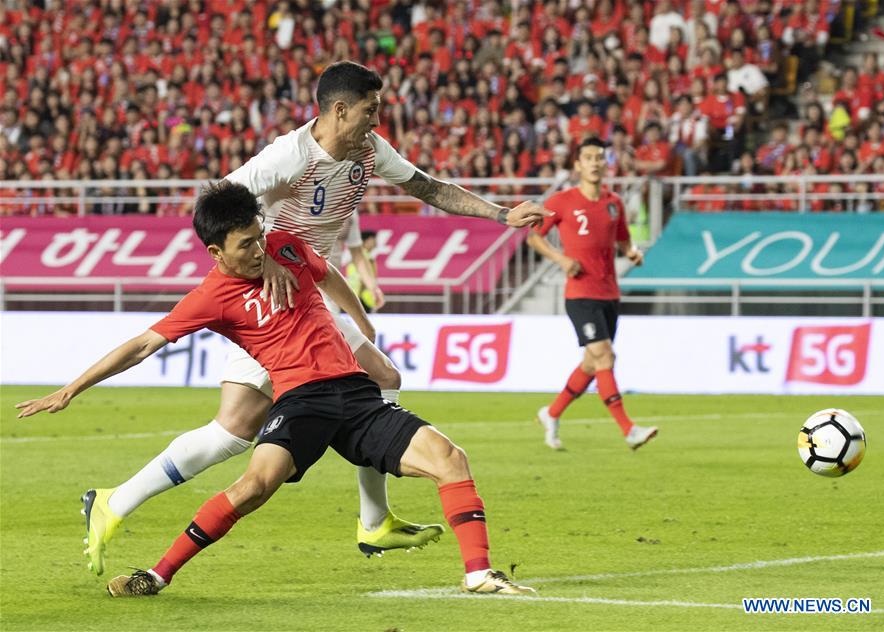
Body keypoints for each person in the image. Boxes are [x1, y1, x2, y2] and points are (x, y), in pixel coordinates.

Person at [72, 60, 549, 576]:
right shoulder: (288, 156)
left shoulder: (368, 151)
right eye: (371, 109)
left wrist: (502, 214)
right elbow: (216, 201)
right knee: (232, 431)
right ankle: (115, 503)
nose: (379, 118)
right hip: (267, 293)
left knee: (377, 378)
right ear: (340, 109)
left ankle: (374, 519)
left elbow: (429, 188)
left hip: (306, 288)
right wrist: (270, 256)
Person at [17, 181, 535, 598]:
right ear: (217, 252)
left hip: (355, 396)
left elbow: (327, 271)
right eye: (246, 245)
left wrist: (359, 320)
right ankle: (156, 575)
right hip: (299, 402)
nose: (258, 248)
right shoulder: (211, 296)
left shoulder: (283, 246)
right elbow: (140, 345)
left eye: (258, 235)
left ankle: (479, 575)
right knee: (251, 487)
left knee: (451, 458)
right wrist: (71, 389)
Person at [525, 138, 657, 451]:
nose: (595, 162)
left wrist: (634, 253)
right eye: (588, 157)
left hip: (609, 293)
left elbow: (624, 242)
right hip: (580, 293)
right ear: (578, 165)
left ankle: (551, 413)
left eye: (600, 157)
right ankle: (629, 430)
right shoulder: (562, 201)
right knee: (606, 356)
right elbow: (534, 238)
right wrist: (561, 259)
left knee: (591, 363)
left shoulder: (614, 203)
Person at [345, 229, 380, 313]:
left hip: (352, 296)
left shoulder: (354, 258)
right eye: (373, 239)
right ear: (367, 241)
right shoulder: (366, 258)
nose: (375, 243)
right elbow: (364, 278)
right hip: (363, 298)